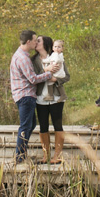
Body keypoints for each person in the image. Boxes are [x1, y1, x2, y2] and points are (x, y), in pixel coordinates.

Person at [10, 29, 59, 164]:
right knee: (25, 126)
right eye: (35, 40)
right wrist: (48, 73)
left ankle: (22, 155)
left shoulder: (21, 55)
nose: (36, 42)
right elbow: (32, 79)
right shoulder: (23, 58)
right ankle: (20, 158)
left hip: (25, 95)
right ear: (28, 42)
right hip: (25, 96)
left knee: (31, 125)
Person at [32, 36, 70, 164]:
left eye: (38, 41)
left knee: (57, 125)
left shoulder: (56, 56)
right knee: (43, 126)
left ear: (45, 44)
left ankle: (57, 156)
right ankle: (45, 155)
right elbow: (32, 77)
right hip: (40, 98)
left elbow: (66, 76)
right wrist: (45, 71)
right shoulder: (33, 60)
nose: (36, 43)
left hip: (56, 97)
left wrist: (55, 80)